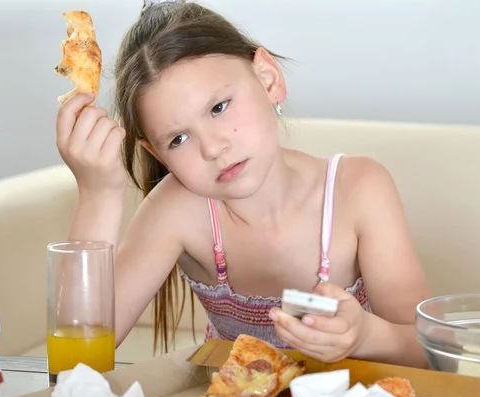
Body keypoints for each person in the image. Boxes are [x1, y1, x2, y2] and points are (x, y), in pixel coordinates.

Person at [55, 0, 431, 368]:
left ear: (268, 79)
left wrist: (364, 335)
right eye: (178, 139)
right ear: (158, 155)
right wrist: (97, 194)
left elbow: (426, 349)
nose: (214, 148)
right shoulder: (177, 210)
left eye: (219, 107)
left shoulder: (359, 190)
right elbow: (80, 360)